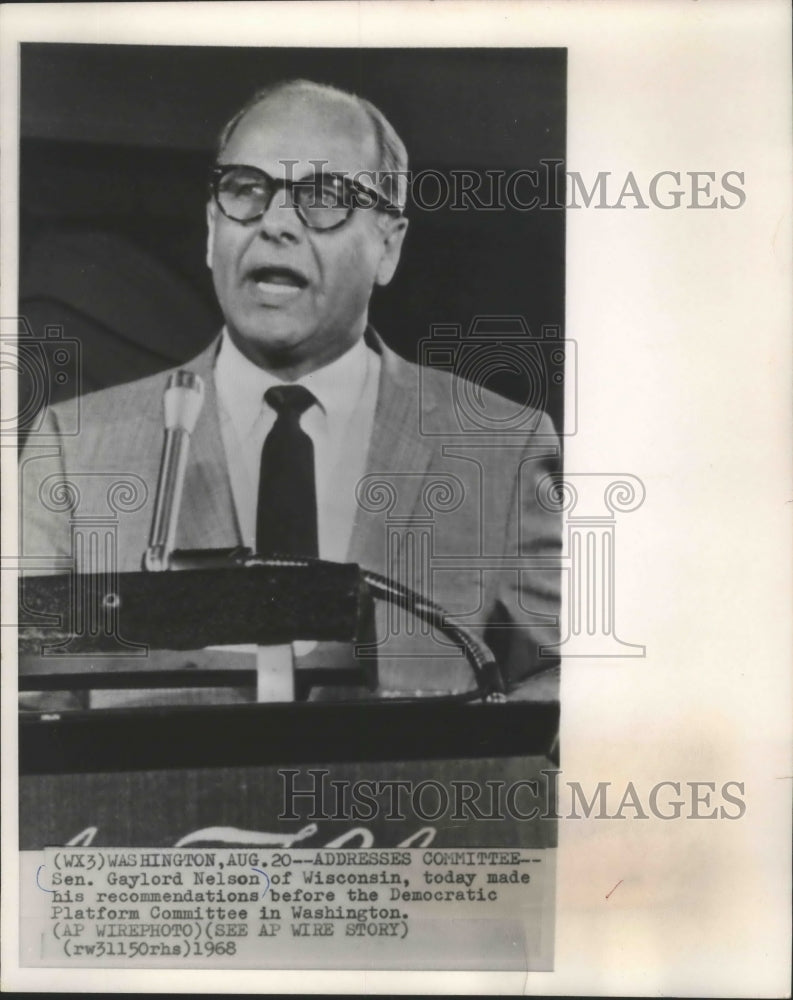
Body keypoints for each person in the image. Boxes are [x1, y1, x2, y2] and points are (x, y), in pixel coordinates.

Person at [18, 79, 562, 700]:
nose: (275, 223)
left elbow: (564, 684)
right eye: (246, 190)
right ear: (209, 230)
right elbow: (26, 712)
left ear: (388, 246)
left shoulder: (503, 448)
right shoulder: (75, 447)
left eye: (323, 195)